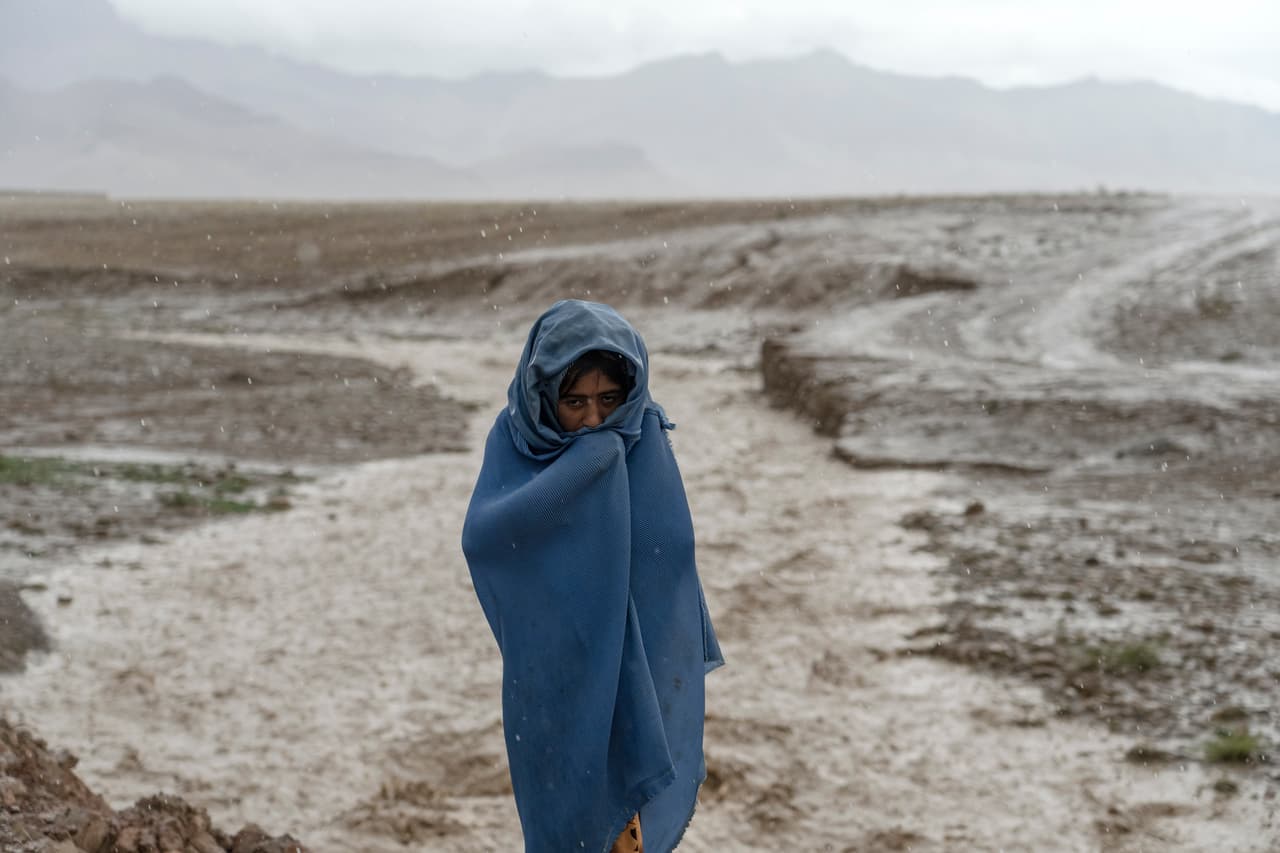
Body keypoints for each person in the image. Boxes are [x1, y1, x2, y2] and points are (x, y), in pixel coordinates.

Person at [462, 299, 724, 853]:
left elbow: (671, 554)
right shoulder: (516, 443)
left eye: (609, 400)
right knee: (566, 815)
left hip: (640, 677)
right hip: (555, 677)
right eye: (575, 402)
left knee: (626, 822)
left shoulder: (643, 440)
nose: (594, 421)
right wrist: (584, 473)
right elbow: (485, 538)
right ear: (543, 397)